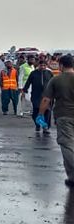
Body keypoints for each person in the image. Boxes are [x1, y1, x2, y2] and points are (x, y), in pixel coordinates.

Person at [38, 54, 74, 187]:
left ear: (61, 66)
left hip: (64, 116)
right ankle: (71, 177)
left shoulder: (56, 80)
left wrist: (40, 114)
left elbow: (46, 99)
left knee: (67, 145)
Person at [23, 59, 54, 134]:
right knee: (36, 112)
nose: (42, 67)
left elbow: (53, 83)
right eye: (41, 65)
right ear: (38, 66)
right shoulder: (33, 73)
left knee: (47, 111)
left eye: (44, 65)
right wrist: (25, 90)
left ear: (46, 66)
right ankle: (38, 124)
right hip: (36, 96)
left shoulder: (49, 73)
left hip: (47, 96)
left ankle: (45, 127)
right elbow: (28, 82)